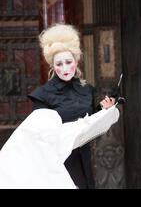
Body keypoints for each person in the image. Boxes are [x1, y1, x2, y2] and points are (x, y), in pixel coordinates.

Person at [27, 24, 116, 189]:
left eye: (68, 62)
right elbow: (37, 133)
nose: (65, 68)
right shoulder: (43, 95)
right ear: (52, 67)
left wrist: (104, 109)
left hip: (84, 155)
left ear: (76, 61)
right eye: (59, 64)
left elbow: (91, 120)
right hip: (57, 159)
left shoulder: (86, 90)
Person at [0, 105, 120, 188]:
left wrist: (108, 111)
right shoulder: (51, 139)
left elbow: (82, 127)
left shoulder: (12, 149)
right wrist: (109, 112)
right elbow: (83, 127)